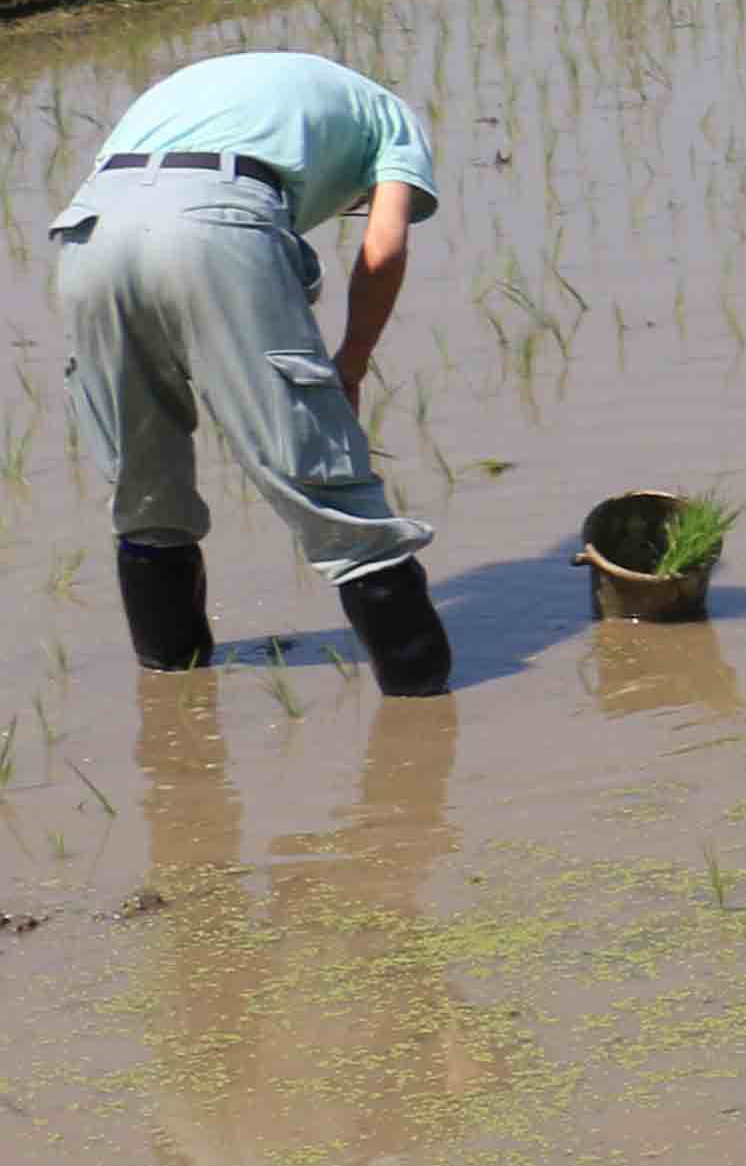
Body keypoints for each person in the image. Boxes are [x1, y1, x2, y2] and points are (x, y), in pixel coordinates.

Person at [47, 49, 454, 695]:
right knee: (329, 487)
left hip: (90, 229)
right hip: (218, 219)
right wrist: (350, 362)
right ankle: (424, 707)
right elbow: (384, 247)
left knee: (144, 489)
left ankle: (175, 704)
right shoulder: (392, 118)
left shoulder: (228, 88)